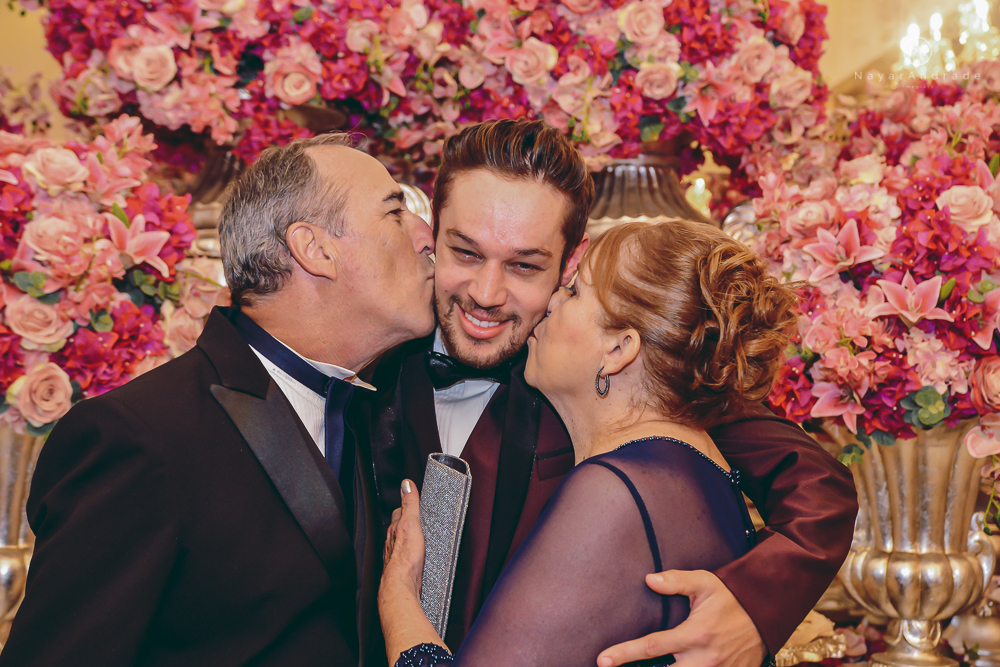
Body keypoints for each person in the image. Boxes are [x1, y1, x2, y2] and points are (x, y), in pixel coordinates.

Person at [351, 119, 858, 667]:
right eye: (466, 253)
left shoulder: (633, 379)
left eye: (525, 265)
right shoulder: (368, 345)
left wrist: (755, 607)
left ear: (571, 259)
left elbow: (818, 486)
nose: (486, 294)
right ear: (433, 236)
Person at [0, 134, 436, 666]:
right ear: (315, 249)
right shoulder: (138, 437)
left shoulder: (375, 416)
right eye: (397, 212)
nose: (426, 235)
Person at [378, 219, 803, 666]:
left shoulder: (615, 491)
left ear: (619, 349)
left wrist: (399, 600)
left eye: (575, 291)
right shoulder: (695, 466)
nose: (549, 304)